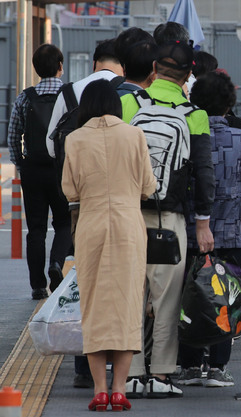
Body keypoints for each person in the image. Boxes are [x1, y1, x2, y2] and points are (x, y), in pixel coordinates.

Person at [121, 40, 215, 399]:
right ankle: (159, 375)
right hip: (170, 219)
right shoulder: (195, 116)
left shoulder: (129, 103)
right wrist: (203, 223)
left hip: (129, 213)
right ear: (189, 74)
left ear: (154, 70)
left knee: (132, 295)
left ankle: (130, 373)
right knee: (166, 299)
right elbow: (204, 174)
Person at [62, 79, 157, 412]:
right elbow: (148, 185)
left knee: (94, 308)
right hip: (128, 225)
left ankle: (99, 390)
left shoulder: (74, 139)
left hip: (91, 226)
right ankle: (120, 389)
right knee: (127, 306)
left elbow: (69, 191)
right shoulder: (135, 136)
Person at [43, 38, 125, 390]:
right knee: (122, 289)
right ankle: (122, 377)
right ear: (121, 64)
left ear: (94, 62)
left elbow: (50, 144)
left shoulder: (70, 92)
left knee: (85, 286)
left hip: (82, 211)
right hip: (125, 214)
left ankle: (83, 369)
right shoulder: (130, 96)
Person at [177, 70, 241, 388]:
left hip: (191, 234)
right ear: (229, 104)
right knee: (228, 300)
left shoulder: (186, 133)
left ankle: (188, 365)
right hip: (232, 235)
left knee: (190, 296)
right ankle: (217, 366)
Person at [7, 44, 70, 301]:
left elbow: (13, 135)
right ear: (60, 66)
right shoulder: (70, 96)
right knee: (65, 222)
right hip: (62, 169)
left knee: (35, 228)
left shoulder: (25, 97)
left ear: (35, 69)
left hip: (32, 168)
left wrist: (21, 164)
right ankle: (56, 263)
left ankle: (37, 285)